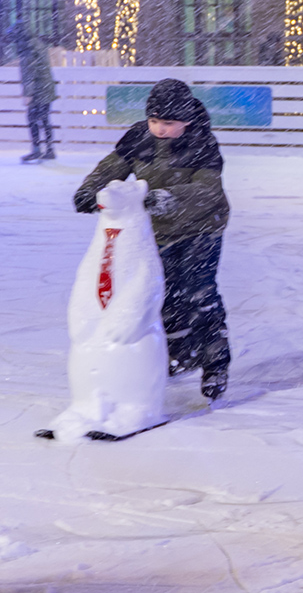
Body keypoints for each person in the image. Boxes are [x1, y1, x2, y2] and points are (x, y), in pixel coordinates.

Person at [73, 78, 232, 401]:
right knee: (164, 293)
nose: (159, 129)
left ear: (185, 121)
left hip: (202, 227)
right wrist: (91, 189)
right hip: (158, 229)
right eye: (154, 121)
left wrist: (170, 197)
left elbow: (208, 189)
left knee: (198, 292)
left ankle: (215, 364)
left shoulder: (202, 142)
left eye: (168, 123)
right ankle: (177, 355)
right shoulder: (138, 137)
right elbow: (111, 167)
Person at [20, 34, 56, 163]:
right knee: (44, 119)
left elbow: (29, 73)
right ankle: (50, 149)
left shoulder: (27, 49)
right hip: (46, 87)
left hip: (38, 90)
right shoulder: (38, 45)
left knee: (32, 118)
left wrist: (28, 94)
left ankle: (36, 150)